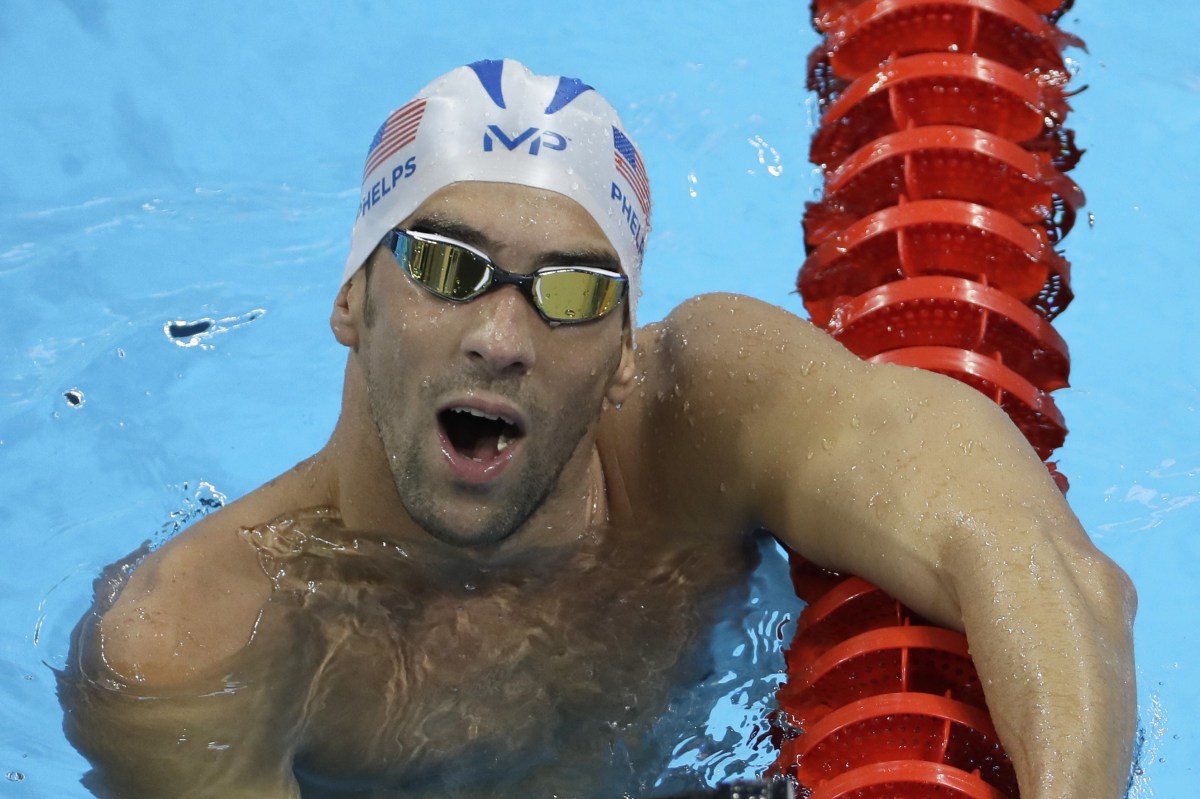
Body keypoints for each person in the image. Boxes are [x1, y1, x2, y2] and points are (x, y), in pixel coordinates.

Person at [59, 59, 1136, 799]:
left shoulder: (700, 416)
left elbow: (1040, 569)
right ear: (352, 299)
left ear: (622, 349)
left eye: (571, 292)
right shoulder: (199, 646)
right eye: (447, 267)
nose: (500, 337)